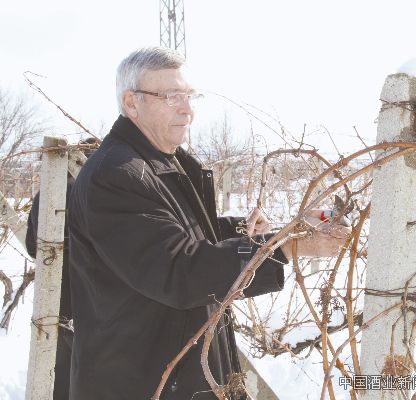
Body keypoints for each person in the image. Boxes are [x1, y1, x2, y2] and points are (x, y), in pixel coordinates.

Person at [67, 47, 349, 400]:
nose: (187, 109)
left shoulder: (161, 164)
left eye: (189, 95)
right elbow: (178, 270)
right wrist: (286, 247)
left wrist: (272, 230)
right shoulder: (117, 174)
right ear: (131, 103)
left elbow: (181, 233)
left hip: (172, 378)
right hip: (140, 384)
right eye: (171, 96)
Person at [25, 137, 99, 400]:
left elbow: (32, 247)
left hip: (52, 296)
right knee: (88, 366)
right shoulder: (99, 196)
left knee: (57, 363)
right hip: (90, 294)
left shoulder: (44, 194)